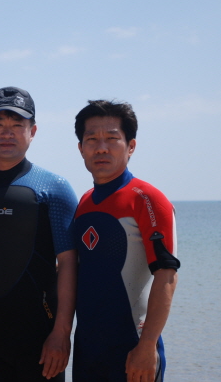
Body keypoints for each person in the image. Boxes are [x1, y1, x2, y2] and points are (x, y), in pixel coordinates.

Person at [0, 86, 78, 382]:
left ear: (32, 131)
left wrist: (62, 332)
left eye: (17, 124)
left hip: (40, 334)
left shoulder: (54, 188)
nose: (7, 132)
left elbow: (69, 264)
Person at [71, 100, 180, 382]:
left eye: (112, 138)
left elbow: (167, 276)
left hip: (133, 349)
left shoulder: (148, 199)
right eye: (92, 139)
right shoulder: (83, 203)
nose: (101, 148)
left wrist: (147, 345)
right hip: (87, 352)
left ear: (131, 146)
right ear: (81, 148)